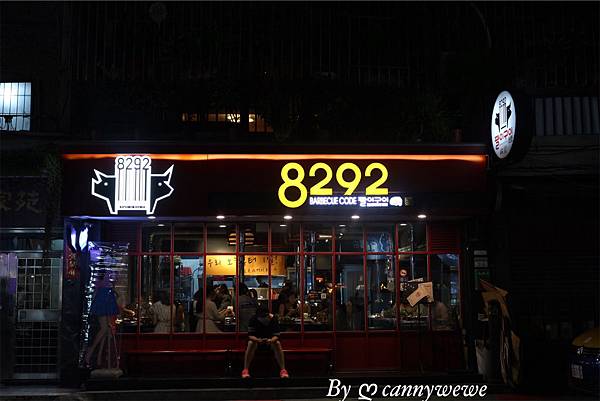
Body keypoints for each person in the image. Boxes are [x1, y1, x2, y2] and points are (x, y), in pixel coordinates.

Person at [241, 306, 289, 379]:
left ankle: (283, 370)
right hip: (257, 342)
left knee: (277, 343)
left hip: (270, 342)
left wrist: (271, 340)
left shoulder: (273, 319)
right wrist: (258, 340)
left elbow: (276, 336)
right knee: (250, 343)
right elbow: (250, 335)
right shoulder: (253, 319)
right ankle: (245, 369)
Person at [85, 270, 120, 368]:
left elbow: (96, 292)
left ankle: (98, 357)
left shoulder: (103, 283)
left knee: (106, 330)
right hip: (103, 303)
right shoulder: (106, 283)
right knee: (104, 329)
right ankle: (92, 352)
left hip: (104, 303)